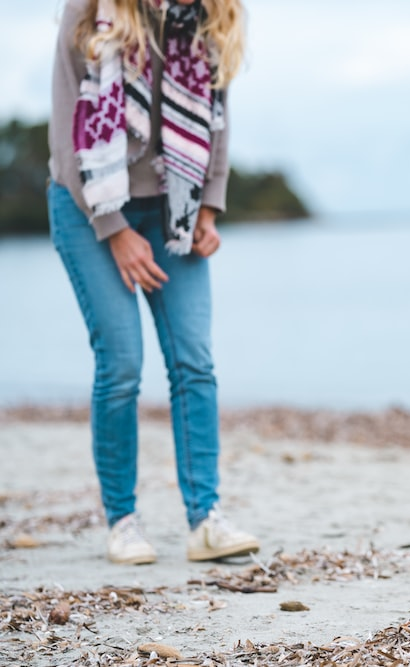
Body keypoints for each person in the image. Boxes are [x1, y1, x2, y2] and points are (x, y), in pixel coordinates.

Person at [47, 0, 259, 565]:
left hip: (175, 206)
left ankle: (205, 520)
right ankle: (122, 521)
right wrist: (113, 228)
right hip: (87, 207)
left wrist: (208, 209)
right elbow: (68, 136)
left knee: (195, 362)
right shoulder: (90, 9)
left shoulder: (212, 14)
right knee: (121, 365)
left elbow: (216, 115)